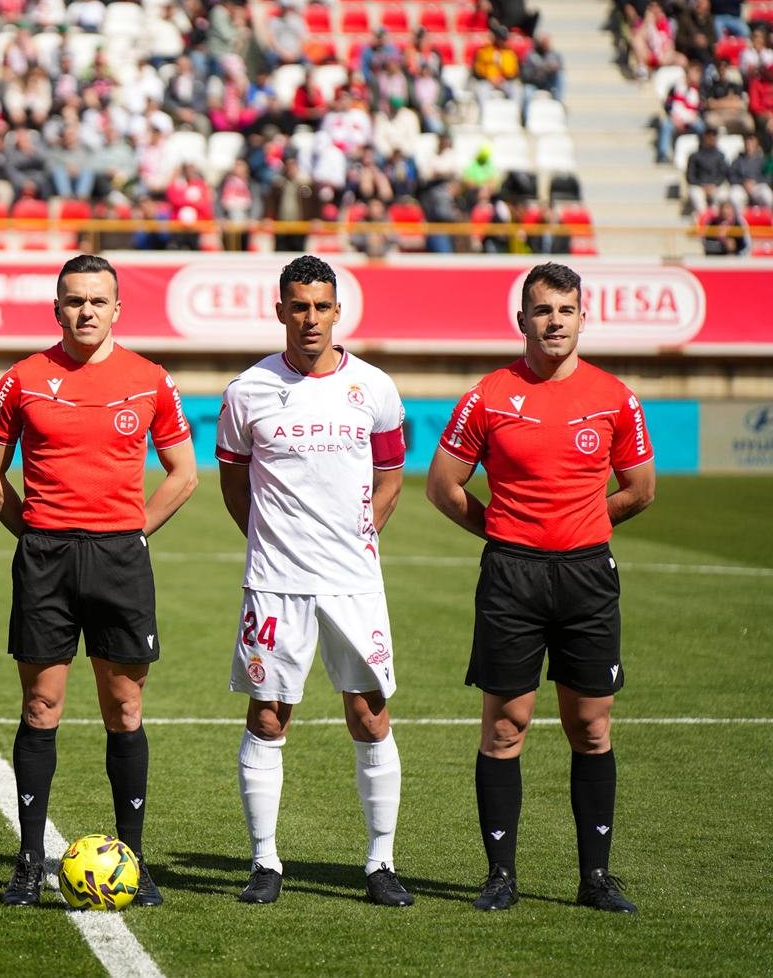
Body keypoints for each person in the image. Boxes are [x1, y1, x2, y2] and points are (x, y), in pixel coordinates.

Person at [426, 262, 656, 914]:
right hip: (511, 576)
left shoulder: (614, 396)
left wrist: (577, 528)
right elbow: (443, 487)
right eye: (542, 310)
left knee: (591, 725)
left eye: (566, 309)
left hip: (586, 576)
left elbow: (640, 490)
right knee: (506, 726)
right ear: (521, 319)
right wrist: (507, 531)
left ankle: (596, 879)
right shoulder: (488, 395)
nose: (554, 320)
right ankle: (500, 875)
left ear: (584, 317)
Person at [0, 254, 198, 907]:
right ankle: (25, 863)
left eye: (97, 300)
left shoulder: (150, 379)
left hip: (120, 560)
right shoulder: (23, 380)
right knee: (41, 706)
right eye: (73, 300)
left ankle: (134, 860)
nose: (85, 311)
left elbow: (183, 473)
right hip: (45, 559)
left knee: (124, 708)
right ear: (57, 308)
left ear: (117, 308)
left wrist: (132, 533)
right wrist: (38, 535)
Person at [214, 255, 413, 907]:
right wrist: (271, 542)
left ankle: (380, 864)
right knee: (269, 717)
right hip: (275, 584)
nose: (310, 318)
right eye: (298, 306)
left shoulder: (375, 389)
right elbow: (234, 483)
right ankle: (265, 862)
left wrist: (362, 535)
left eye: (321, 306)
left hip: (354, 584)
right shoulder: (247, 391)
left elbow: (389, 476)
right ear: (279, 311)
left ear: (337, 311)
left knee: (369, 713)